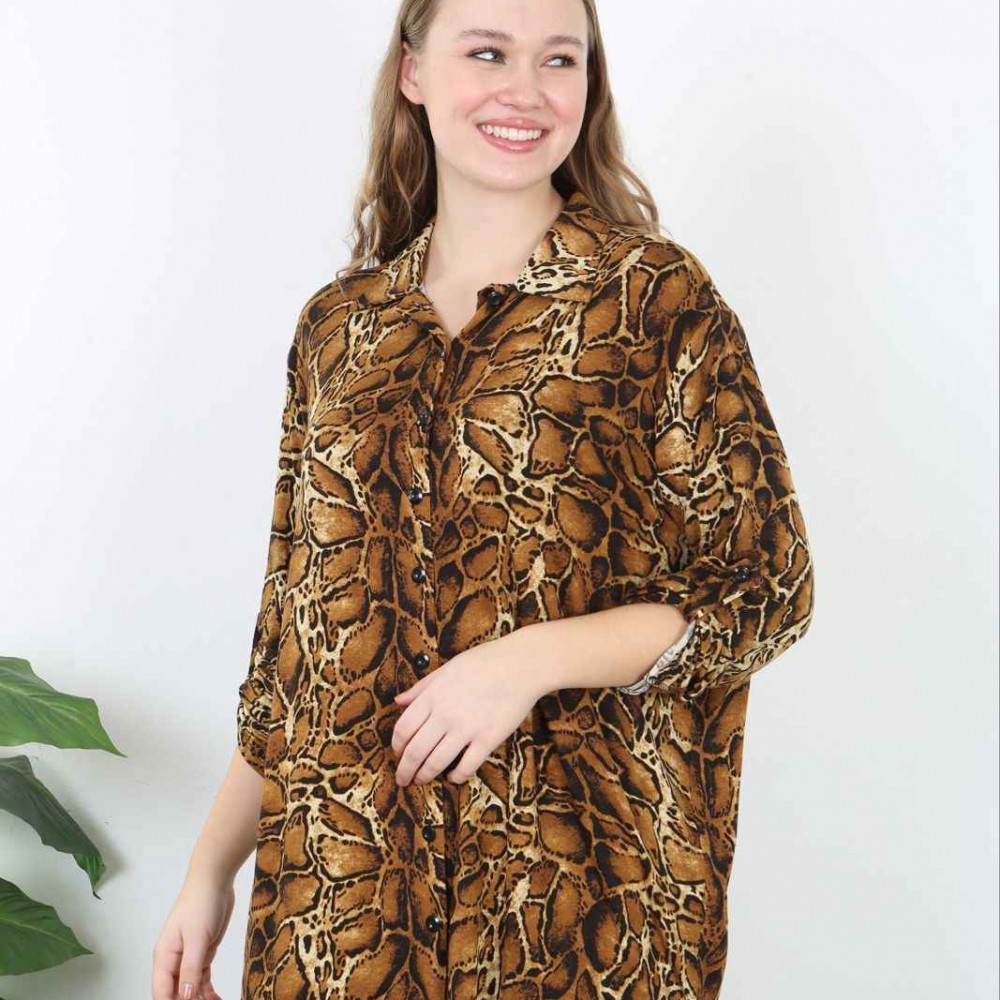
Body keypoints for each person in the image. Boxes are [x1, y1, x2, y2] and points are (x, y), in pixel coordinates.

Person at [152, 1, 816, 997]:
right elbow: (295, 644)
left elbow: (768, 588)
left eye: (560, 59)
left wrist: (529, 662)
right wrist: (210, 870)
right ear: (413, 71)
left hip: (574, 913)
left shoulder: (652, 300)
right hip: (341, 913)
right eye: (488, 53)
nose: (526, 91)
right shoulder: (340, 330)